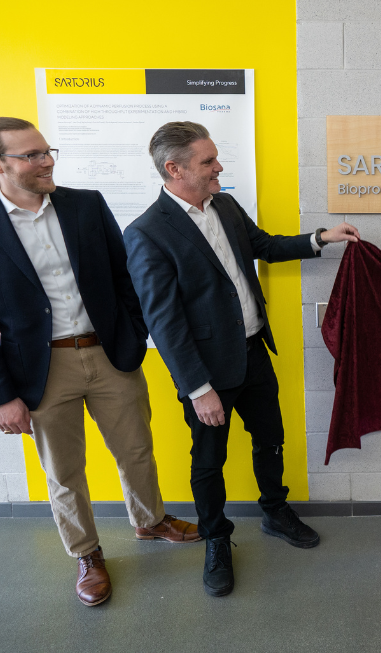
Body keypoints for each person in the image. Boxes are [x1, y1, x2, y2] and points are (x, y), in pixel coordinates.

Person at [0, 117, 199, 608]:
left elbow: (127, 277)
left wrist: (132, 334)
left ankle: (150, 521)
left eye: (47, 151)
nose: (47, 161)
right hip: (41, 371)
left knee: (136, 450)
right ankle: (87, 554)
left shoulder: (85, 205)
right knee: (64, 472)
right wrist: (0, 396)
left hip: (109, 354)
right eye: (32, 155)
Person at [123, 121, 360, 597]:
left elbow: (265, 247)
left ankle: (275, 511)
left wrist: (320, 238)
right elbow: (164, 323)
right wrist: (198, 388)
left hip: (253, 353)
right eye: (208, 162)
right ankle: (216, 540)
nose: (219, 168)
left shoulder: (225, 205)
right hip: (207, 375)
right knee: (208, 462)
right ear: (175, 169)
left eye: (215, 158)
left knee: (270, 438)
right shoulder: (147, 233)